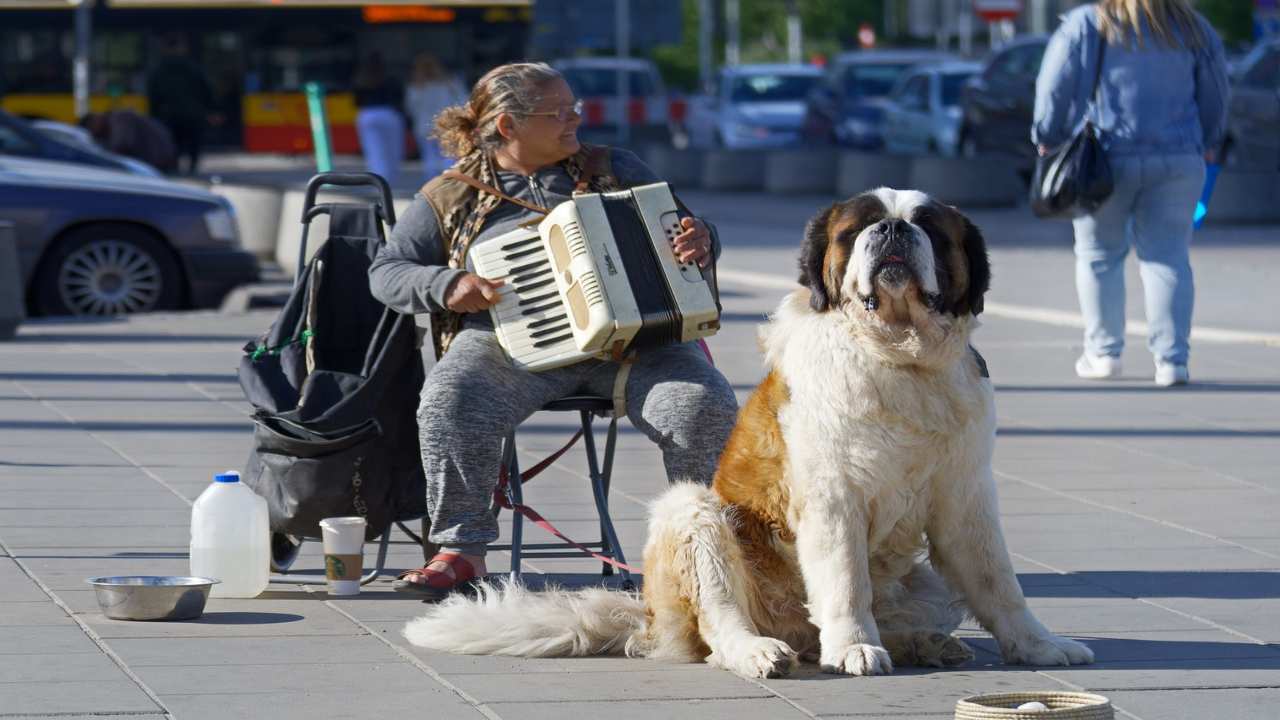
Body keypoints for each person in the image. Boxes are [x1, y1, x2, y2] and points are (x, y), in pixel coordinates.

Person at [368, 62, 738, 599]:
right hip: (510, 344)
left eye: (574, 108)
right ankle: (461, 548)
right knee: (450, 397)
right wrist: (449, 284)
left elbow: (685, 229)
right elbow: (388, 270)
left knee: (703, 404)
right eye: (557, 112)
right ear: (508, 125)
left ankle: (711, 550)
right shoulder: (451, 194)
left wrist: (701, 238)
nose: (575, 120)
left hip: (639, 347)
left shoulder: (618, 168)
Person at [1033, 0, 1229, 387]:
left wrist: (1048, 135)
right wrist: (1207, 140)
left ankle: (1104, 354)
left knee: (1098, 255)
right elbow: (1217, 94)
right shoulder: (1194, 29)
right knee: (1168, 256)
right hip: (1178, 159)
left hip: (1104, 161)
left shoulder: (1088, 25)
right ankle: (1172, 361)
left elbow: (1054, 85)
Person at [146, 35, 212, 175]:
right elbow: (206, 90)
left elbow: (153, 96)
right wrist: (211, 109)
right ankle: (192, 167)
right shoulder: (193, 68)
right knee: (193, 143)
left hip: (170, 115)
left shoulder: (160, 70)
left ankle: (175, 167)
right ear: (182, 49)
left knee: (174, 143)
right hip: (193, 114)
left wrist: (154, 114)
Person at [405, 54, 466, 181]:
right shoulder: (450, 83)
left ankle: (433, 187)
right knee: (448, 157)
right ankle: (448, 184)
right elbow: (463, 100)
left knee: (431, 159)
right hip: (446, 124)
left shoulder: (417, 86)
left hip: (427, 126)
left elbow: (410, 108)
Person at [353, 52, 407, 186]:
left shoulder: (361, 80)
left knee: (374, 151)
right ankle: (389, 181)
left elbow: (357, 101)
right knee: (393, 152)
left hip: (367, 114)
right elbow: (399, 98)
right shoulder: (391, 79)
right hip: (389, 114)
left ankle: (378, 182)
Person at [81, 109, 178, 174]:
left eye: (92, 129)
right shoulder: (114, 122)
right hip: (158, 159)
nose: (94, 133)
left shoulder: (119, 119)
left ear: (95, 120)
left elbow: (121, 145)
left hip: (159, 159)